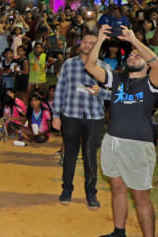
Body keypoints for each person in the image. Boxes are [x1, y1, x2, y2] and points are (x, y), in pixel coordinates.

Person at [85, 25, 158, 237]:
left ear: (146, 65)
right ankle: (119, 232)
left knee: (140, 198)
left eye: (138, 56)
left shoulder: (151, 82)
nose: (132, 57)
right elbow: (90, 66)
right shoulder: (118, 79)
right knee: (117, 189)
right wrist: (99, 39)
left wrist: (134, 41)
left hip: (138, 146)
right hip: (112, 142)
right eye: (131, 55)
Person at [51, 33, 111, 209]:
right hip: (71, 115)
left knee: (90, 156)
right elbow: (60, 90)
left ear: (98, 46)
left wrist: (99, 91)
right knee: (69, 154)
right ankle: (67, 189)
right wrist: (56, 115)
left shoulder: (104, 68)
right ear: (80, 44)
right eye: (84, 41)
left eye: (92, 42)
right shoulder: (69, 65)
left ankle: (91, 192)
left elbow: (112, 94)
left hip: (94, 118)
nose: (87, 45)